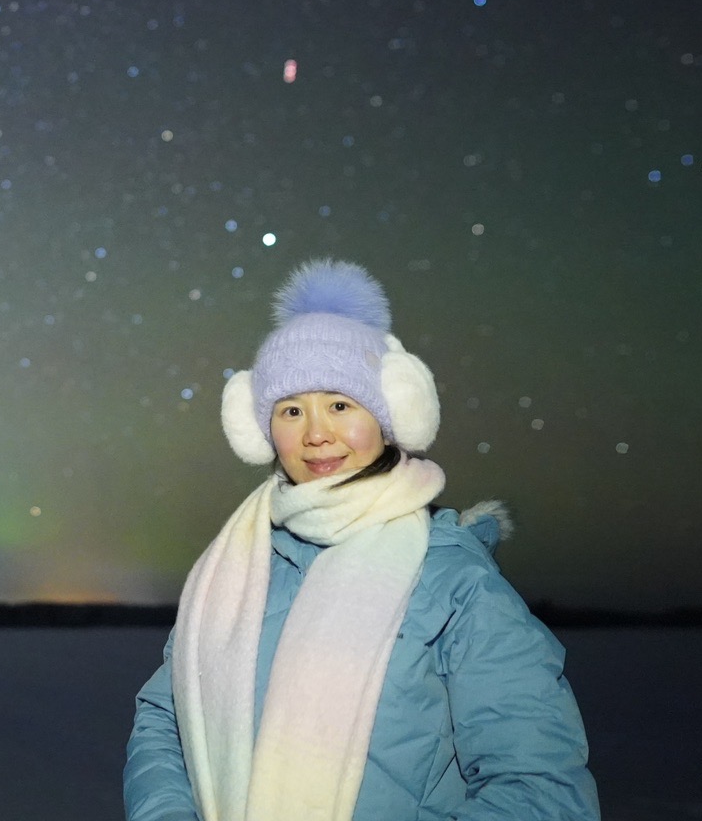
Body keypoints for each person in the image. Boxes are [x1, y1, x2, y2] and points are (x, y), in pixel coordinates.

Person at [124, 259, 598, 820]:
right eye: (291, 409)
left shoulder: (453, 580)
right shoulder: (237, 566)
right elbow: (164, 718)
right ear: (260, 429)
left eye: (341, 405)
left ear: (391, 414)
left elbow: (541, 789)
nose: (316, 432)